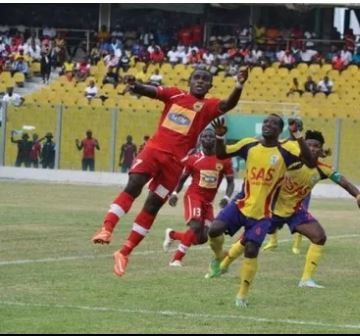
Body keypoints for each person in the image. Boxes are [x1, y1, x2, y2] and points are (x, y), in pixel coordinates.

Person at [91, 67, 249, 278]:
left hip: (176, 164)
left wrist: (239, 84)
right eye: (197, 78)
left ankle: (124, 252)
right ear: (189, 81)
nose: (200, 82)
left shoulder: (208, 106)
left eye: (205, 80)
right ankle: (107, 228)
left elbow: (229, 104)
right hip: (153, 151)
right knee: (134, 184)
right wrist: (136, 85)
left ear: (210, 86)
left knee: (152, 205)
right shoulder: (174, 94)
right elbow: (152, 91)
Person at [205, 115, 315, 307]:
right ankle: (218, 257)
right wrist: (220, 137)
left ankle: (242, 296)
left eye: (273, 123)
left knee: (251, 249)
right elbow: (222, 154)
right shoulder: (250, 144)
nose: (268, 125)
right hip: (241, 204)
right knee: (214, 230)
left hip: (263, 213)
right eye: (265, 122)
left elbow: (311, 162)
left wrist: (298, 135)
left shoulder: (286, 149)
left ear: (280, 130)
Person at [247, 129, 360, 288]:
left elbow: (343, 182)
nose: (312, 148)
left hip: (295, 211)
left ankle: (306, 279)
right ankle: (223, 262)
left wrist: (358, 195)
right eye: (309, 144)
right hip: (272, 209)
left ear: (320, 149)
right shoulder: (291, 161)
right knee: (248, 241)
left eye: (316, 146)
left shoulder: (323, 169)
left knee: (319, 237)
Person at [164, 128, 235, 266]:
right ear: (201, 140)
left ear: (216, 139)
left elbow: (231, 182)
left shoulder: (224, 160)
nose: (207, 139)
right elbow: (182, 179)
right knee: (195, 226)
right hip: (194, 196)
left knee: (202, 237)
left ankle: (172, 235)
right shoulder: (193, 159)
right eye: (204, 136)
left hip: (208, 202)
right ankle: (176, 259)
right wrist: (174, 193)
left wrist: (226, 198)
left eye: (210, 137)